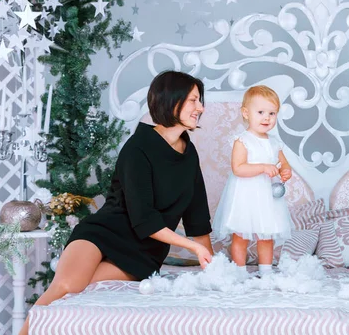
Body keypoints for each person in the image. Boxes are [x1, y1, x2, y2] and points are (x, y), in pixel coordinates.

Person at [20, 71, 214, 335]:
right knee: (67, 285)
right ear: (172, 101)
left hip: (144, 253)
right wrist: (191, 246)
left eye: (199, 100)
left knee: (85, 287)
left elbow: (197, 218)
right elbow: (144, 217)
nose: (200, 108)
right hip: (103, 233)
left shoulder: (189, 155)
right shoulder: (138, 148)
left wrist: (214, 269)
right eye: (193, 100)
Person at [212, 85, 293, 276]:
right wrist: (263, 167)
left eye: (272, 113)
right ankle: (239, 272)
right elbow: (238, 168)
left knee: (266, 236)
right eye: (261, 112)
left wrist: (286, 171)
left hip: (268, 197)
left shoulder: (274, 142)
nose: (267, 118)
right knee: (241, 235)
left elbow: (284, 163)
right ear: (246, 113)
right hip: (246, 196)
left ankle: (266, 271)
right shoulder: (242, 140)